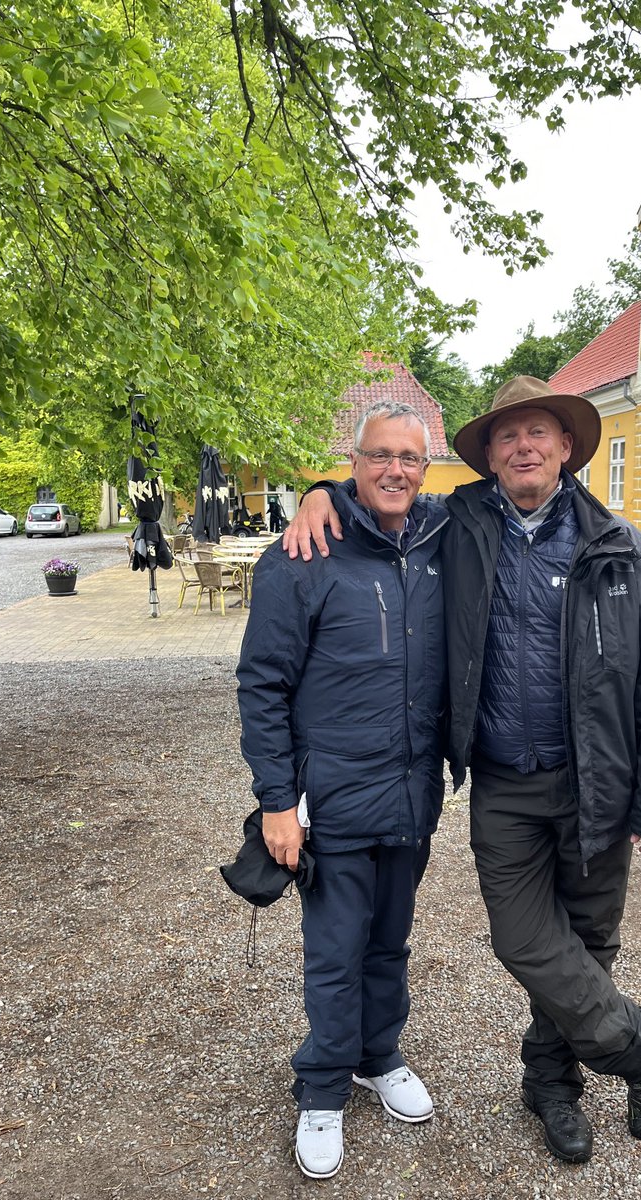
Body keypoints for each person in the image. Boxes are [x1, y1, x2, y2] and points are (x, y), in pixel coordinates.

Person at [284, 376, 641, 1164]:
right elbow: (386, 490)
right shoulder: (456, 521)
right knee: (525, 939)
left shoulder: (618, 543)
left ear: (567, 448)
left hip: (597, 778)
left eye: (539, 432)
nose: (524, 446)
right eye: (508, 436)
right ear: (490, 456)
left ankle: (552, 1086)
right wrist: (320, 491)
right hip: (504, 781)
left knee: (589, 942)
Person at [237, 401, 448, 1180]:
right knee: (335, 953)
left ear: (425, 471)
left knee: (390, 942)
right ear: (355, 464)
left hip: (412, 794)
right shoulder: (304, 554)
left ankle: (376, 1055)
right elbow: (261, 683)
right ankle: (321, 1089)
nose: (396, 470)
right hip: (331, 800)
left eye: (411, 458)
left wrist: (321, 484)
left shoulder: (437, 538)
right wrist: (276, 800)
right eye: (379, 456)